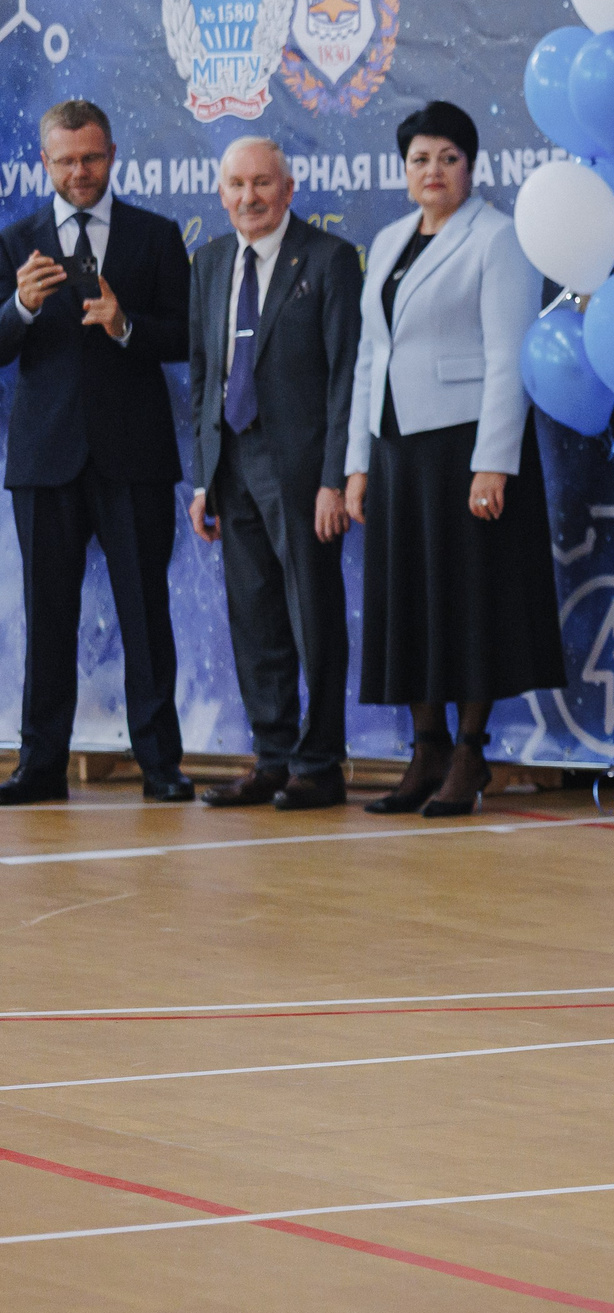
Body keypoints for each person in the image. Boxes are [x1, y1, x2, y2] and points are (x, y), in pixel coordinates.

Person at [343, 101, 561, 817]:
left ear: (471, 165)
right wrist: (357, 463)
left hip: (465, 446)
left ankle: (471, 752)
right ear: (403, 170)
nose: (432, 170)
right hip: (397, 448)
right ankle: (426, 749)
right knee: (410, 598)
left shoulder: (497, 238)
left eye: (448, 157)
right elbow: (371, 357)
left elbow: (509, 355)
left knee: (470, 600)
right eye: (419, 159)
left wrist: (493, 461)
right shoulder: (388, 240)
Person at [0, 99, 195, 805]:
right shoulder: (15, 240)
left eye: (91, 158)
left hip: (134, 457)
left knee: (146, 614)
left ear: (112, 154)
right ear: (44, 162)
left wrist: (126, 326)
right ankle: (39, 765)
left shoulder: (155, 235)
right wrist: (20, 307)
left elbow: (187, 336)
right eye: (66, 160)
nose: (79, 172)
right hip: (45, 460)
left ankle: (161, 764)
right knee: (47, 617)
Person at [187, 137, 365, 812]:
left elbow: (347, 376)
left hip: (301, 471)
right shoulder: (209, 262)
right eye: (236, 185)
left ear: (288, 190)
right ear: (221, 193)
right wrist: (203, 478)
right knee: (254, 617)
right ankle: (272, 758)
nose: (249, 197)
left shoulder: (328, 259)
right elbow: (204, 375)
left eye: (262, 183)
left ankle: (319, 764)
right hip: (231, 462)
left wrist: (333, 478)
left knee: (312, 613)